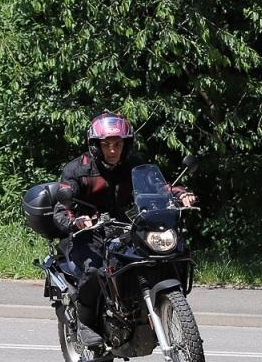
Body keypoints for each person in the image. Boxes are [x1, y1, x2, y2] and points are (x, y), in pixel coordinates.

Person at [51, 112, 196, 348]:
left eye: (117, 144)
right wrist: (77, 221)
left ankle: (147, 306)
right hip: (88, 233)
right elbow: (62, 208)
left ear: (125, 144)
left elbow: (161, 187)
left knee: (159, 255)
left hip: (123, 228)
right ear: (96, 145)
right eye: (106, 144)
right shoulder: (77, 170)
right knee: (94, 269)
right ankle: (85, 322)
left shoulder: (135, 164)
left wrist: (180, 194)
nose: (112, 150)